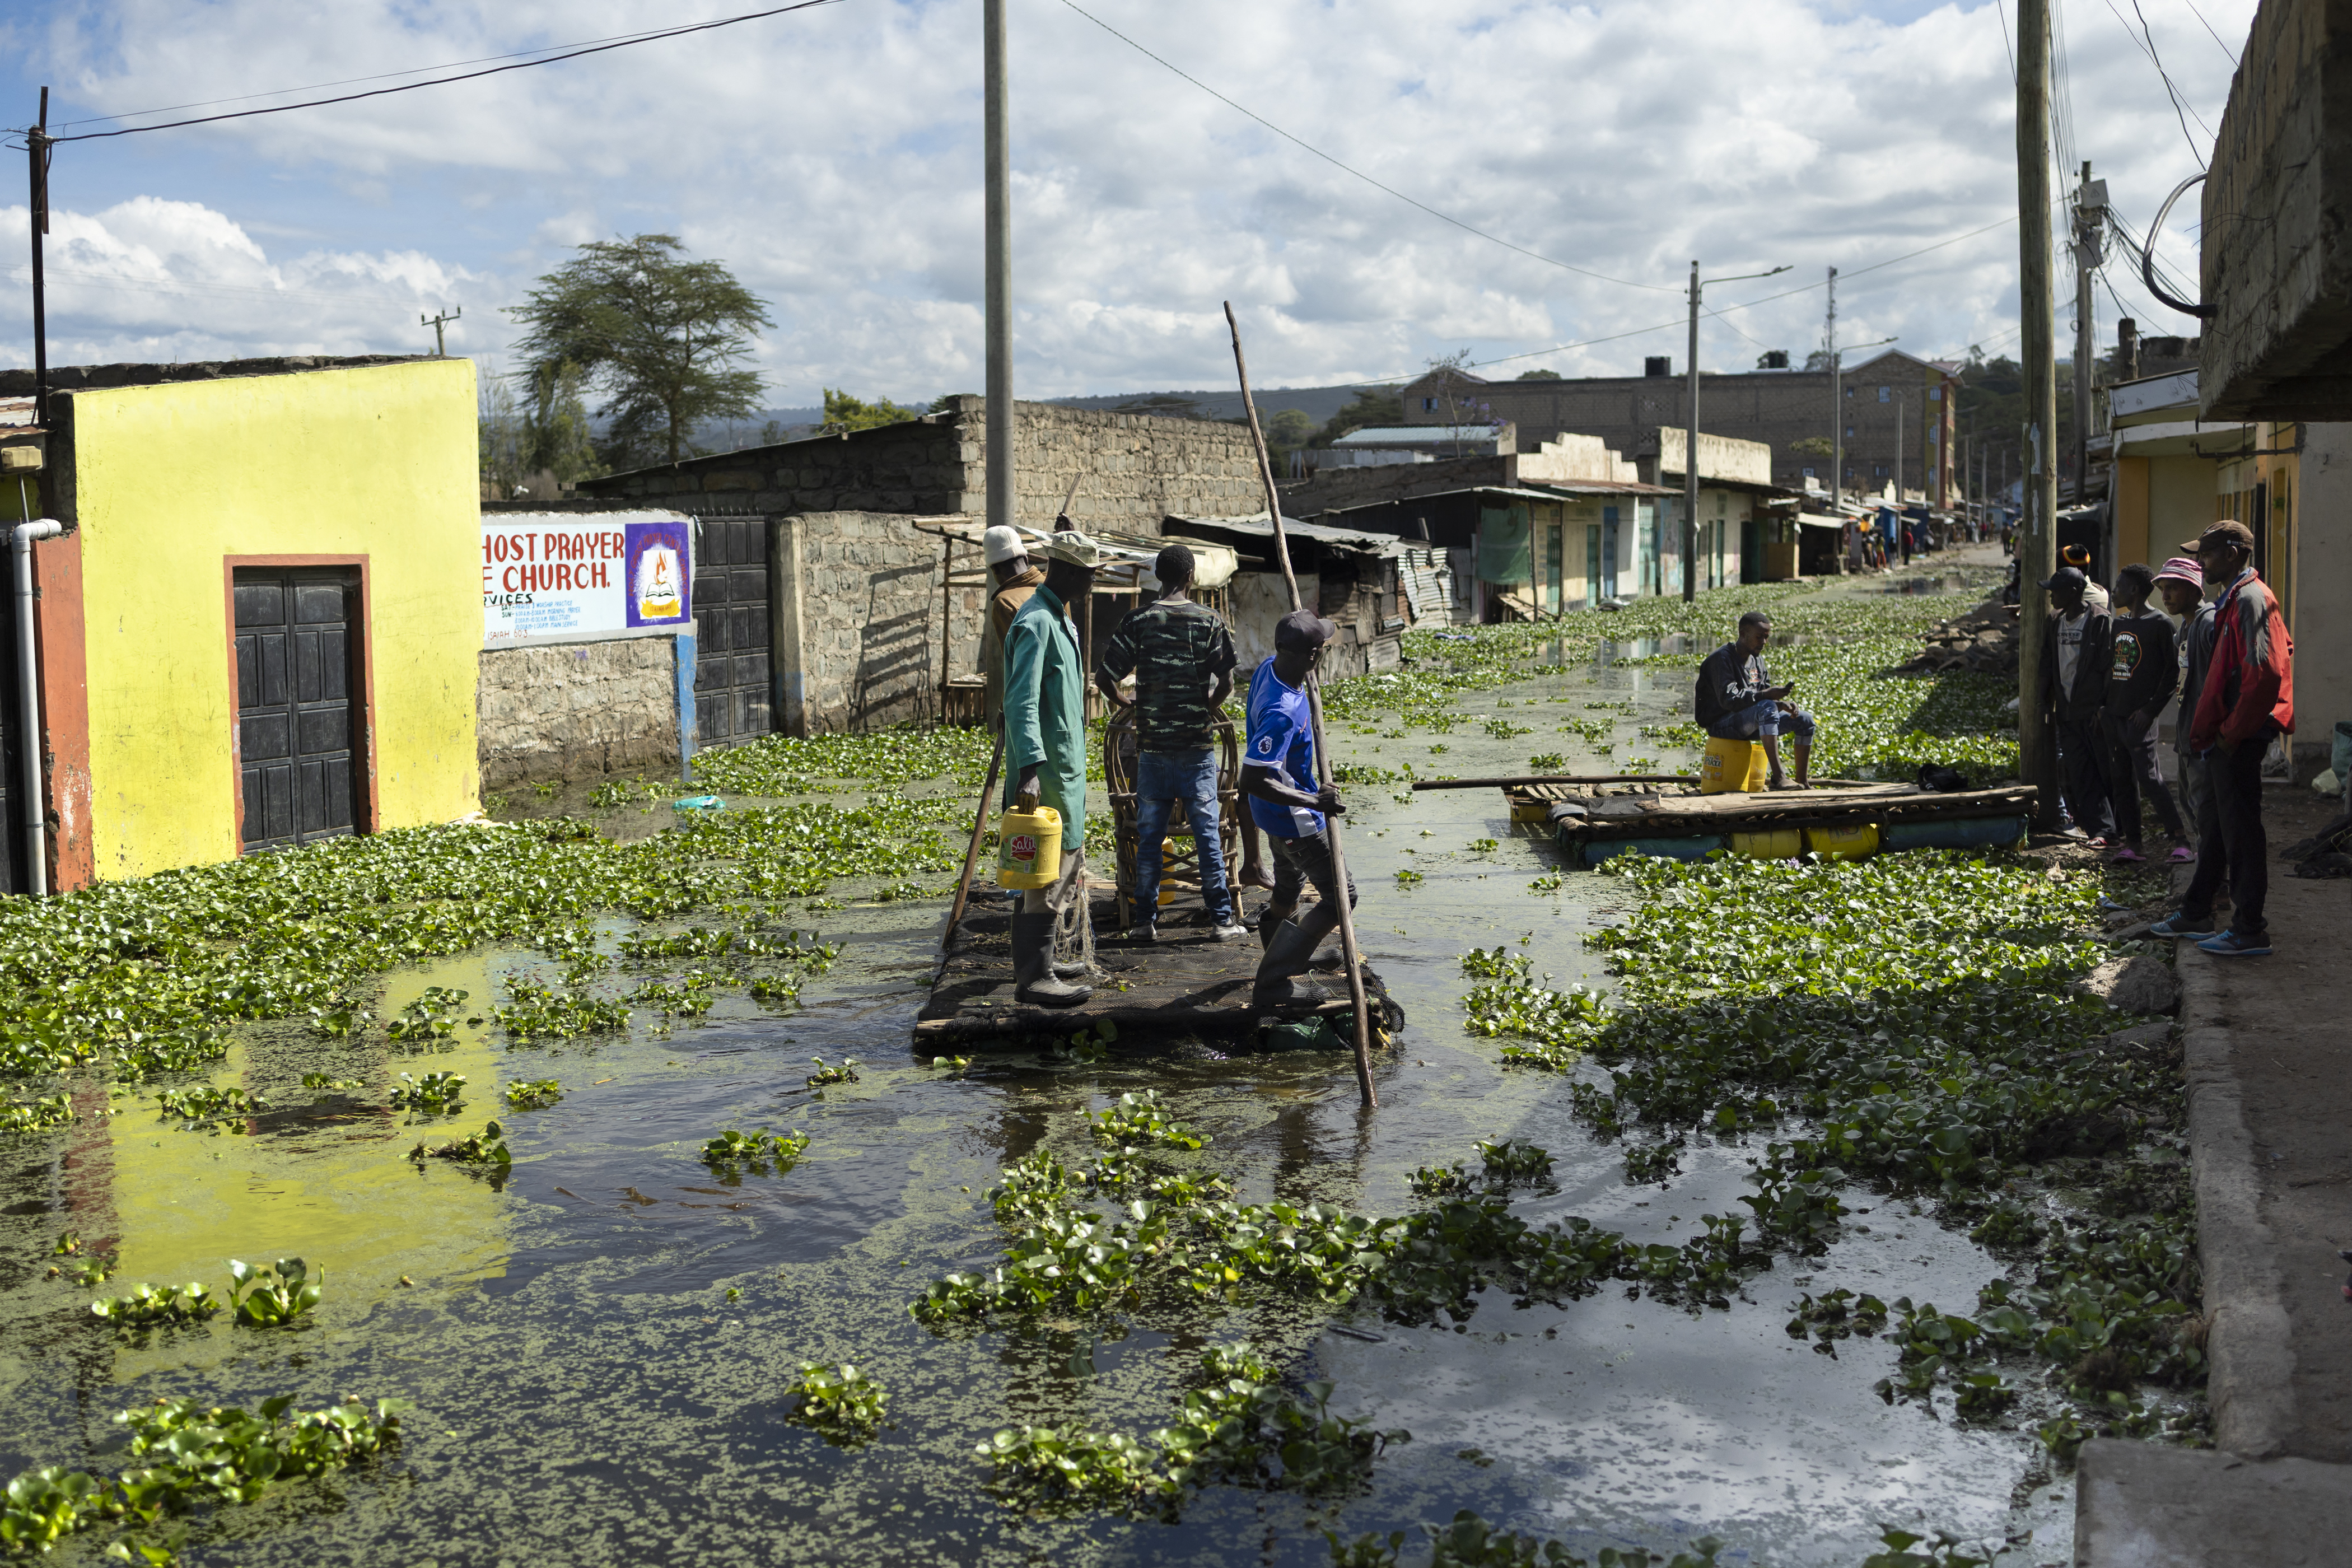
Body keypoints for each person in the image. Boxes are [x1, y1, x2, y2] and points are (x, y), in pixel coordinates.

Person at [2153, 521, 2296, 957]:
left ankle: (2249, 928)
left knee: (2242, 834)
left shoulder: (2251, 599)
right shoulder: (2235, 597)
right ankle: (2197, 909)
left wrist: (2232, 735)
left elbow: (2264, 674)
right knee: (2217, 827)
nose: (2201, 562)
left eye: (2208, 554)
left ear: (2233, 553)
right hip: (2224, 735)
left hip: (2239, 737)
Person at [1095, 543, 1249, 944]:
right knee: (1208, 836)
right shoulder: (1208, 621)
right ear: (1190, 576)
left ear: (1159, 577)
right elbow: (1228, 682)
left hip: (1153, 752)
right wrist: (1204, 708)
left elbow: (1104, 678)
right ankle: (1221, 921)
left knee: (1149, 839)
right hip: (1196, 751)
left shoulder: (1139, 620)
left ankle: (1145, 923)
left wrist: (1128, 705)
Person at [1002, 530, 1103, 1005]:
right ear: (1067, 572)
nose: (1089, 587)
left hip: (1065, 768)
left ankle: (1041, 964)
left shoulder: (1059, 619)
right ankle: (1033, 979)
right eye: (1085, 577)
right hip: (1045, 773)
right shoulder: (1036, 622)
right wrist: (1028, 769)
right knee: (1042, 873)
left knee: (1062, 868)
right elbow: (1020, 701)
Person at [1241, 609, 1356, 1011]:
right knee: (1342, 896)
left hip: (1273, 816)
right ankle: (1274, 979)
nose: (1324, 652)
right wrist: (1316, 802)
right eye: (1322, 648)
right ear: (1311, 656)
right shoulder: (1282, 709)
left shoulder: (1267, 670)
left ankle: (1282, 949)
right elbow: (1254, 778)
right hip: (1295, 819)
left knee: (1289, 886)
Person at [2098, 563, 2190, 864]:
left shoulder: (2162, 625)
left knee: (2150, 778)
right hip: (2115, 715)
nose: (2114, 591)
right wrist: (2104, 708)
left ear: (2135, 590)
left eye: (2120, 586)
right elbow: (2112, 669)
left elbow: (2172, 672)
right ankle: (2134, 844)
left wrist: (2150, 711)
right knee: (2121, 779)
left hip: (2140, 719)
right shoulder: (2119, 623)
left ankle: (2180, 840)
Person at [1694, 610, 1815, 790]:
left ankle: (1802, 781)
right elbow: (1730, 701)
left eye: (1766, 638)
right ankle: (1779, 777)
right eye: (1759, 637)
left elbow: (1761, 701)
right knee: (1766, 706)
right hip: (1720, 724)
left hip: (1750, 722)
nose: (1764, 643)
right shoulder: (1722, 659)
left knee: (1805, 720)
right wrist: (1767, 696)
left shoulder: (1758, 662)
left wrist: (1781, 705)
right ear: (1743, 634)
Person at [2040, 565, 2114, 842]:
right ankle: (2099, 830)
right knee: (2079, 771)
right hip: (2067, 710)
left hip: (2091, 710)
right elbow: (2047, 662)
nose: (2051, 598)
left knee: (2103, 769)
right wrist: (2042, 700)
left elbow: (2108, 667)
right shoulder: (2055, 621)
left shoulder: (2099, 620)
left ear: (2072, 593)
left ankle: (2115, 829)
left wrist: (2102, 707)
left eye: (2055, 593)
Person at [2152, 554, 2214, 860]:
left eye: (2173, 588)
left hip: (2205, 738)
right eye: (2162, 589)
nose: (2165, 596)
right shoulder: (2186, 629)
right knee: (2190, 804)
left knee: (2206, 813)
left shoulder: (2208, 625)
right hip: (2187, 735)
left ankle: (2216, 885)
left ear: (2194, 589)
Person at [978, 525, 1044, 734]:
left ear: (994, 571)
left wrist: (1004, 708)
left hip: (1031, 706)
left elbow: (1020, 666)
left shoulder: (1004, 602)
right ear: (1026, 559)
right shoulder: (1051, 587)